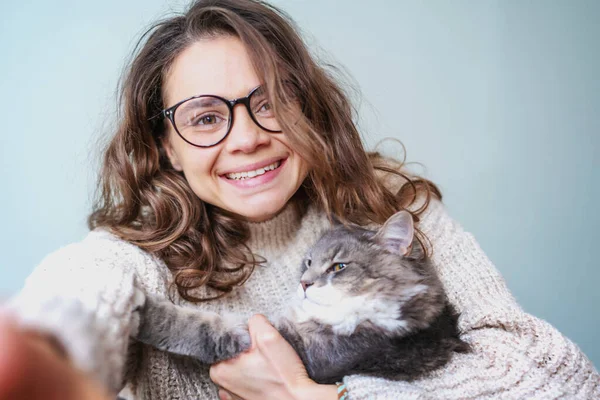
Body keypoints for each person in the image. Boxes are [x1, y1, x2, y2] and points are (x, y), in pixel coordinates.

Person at [1, 0, 598, 399]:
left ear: (309, 109)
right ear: (166, 149)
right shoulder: (134, 255)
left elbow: (565, 380)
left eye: (272, 103)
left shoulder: (386, 204)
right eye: (205, 117)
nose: (248, 137)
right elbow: (83, 298)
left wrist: (321, 396)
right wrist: (46, 348)